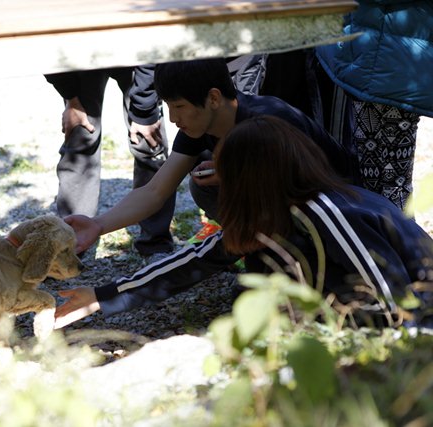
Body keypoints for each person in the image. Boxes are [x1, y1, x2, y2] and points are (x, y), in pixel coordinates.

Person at [54, 57, 361, 328]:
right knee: (202, 187)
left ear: (213, 98)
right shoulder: (201, 126)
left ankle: (289, 269)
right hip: (276, 210)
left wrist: (108, 295)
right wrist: (99, 225)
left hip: (333, 220)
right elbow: (156, 190)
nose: (172, 118)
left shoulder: (265, 124)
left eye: (179, 107)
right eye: (168, 107)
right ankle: (265, 260)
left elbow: (311, 189)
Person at [57, 116, 433, 328]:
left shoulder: (330, 213)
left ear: (251, 181)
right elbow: (197, 259)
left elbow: (395, 298)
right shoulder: (276, 212)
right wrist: (102, 297)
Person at [44, 66, 176, 257]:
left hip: (138, 60)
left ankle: (156, 245)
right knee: (80, 136)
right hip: (80, 59)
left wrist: (145, 112)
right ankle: (72, 244)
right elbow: (51, 58)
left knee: (148, 141)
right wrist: (71, 99)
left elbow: (150, 61)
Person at [315, 0, 433, 210]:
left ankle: (393, 231)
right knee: (374, 181)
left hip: (387, 67)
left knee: (389, 186)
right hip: (377, 62)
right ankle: (382, 228)